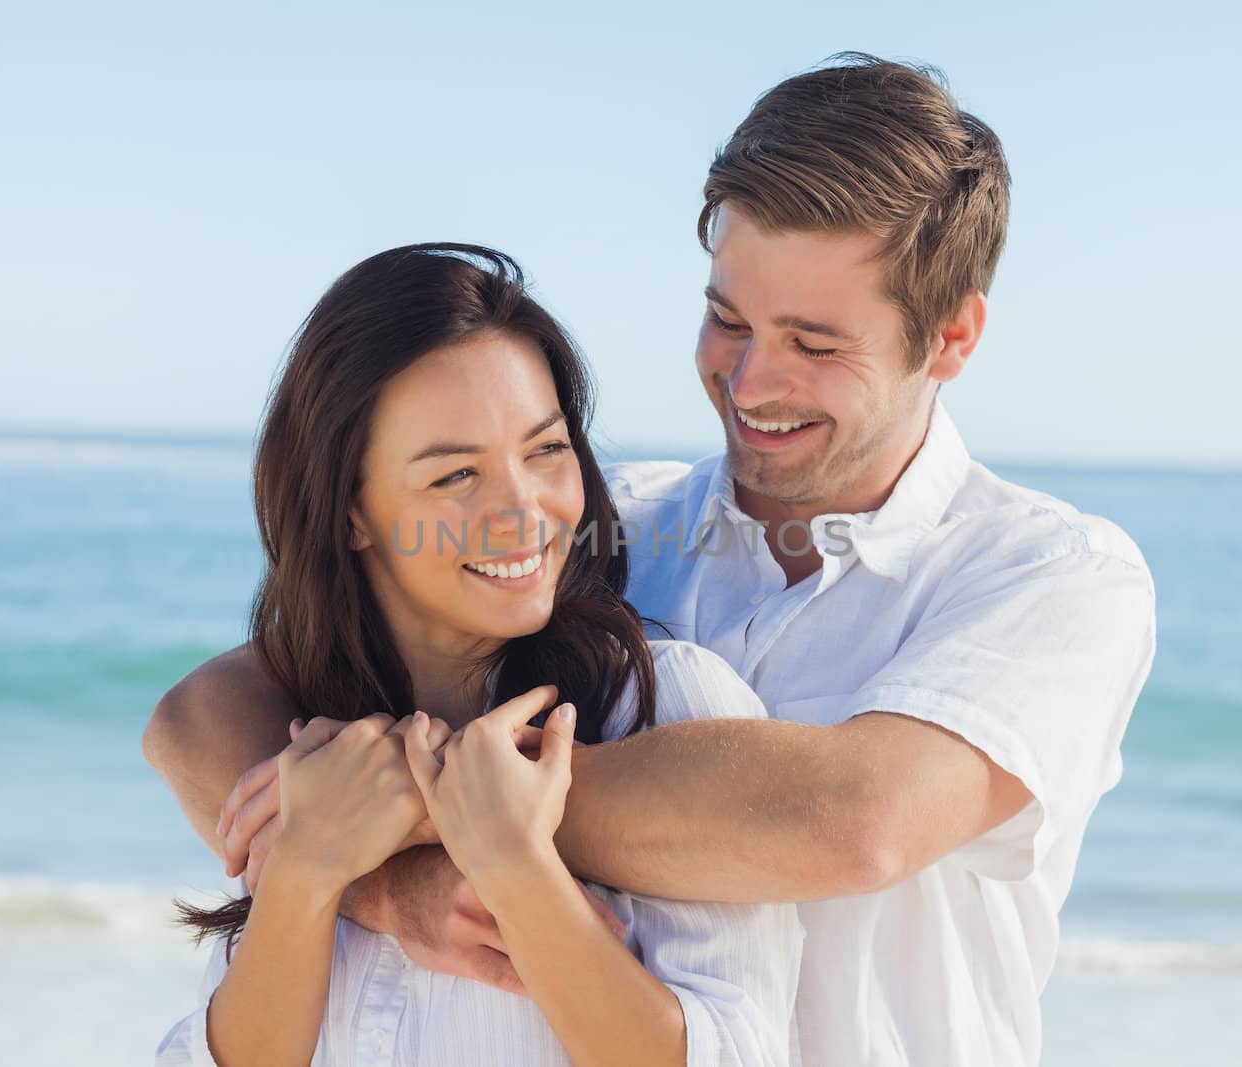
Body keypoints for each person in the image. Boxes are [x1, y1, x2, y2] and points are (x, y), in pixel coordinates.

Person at [145, 54, 1157, 1066]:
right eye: (728, 318)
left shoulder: (1051, 577)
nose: (751, 378)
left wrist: (411, 809)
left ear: (951, 335)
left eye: (813, 342)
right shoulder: (588, 531)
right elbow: (204, 713)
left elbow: (853, 823)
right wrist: (362, 878)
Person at [152, 243, 801, 1066]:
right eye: (456, 475)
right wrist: (308, 871)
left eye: (546, 450)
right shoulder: (308, 754)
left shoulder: (664, 705)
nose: (522, 512)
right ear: (352, 510)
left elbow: (734, 1053)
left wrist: (515, 863)